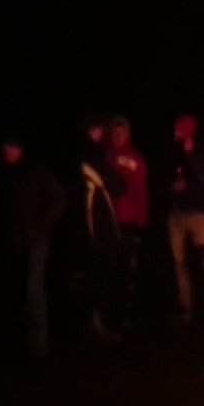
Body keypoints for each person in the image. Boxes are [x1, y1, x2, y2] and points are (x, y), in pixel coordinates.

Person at [0, 132, 66, 357]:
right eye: (5, 146)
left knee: (33, 291)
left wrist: (42, 225)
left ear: (20, 149)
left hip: (34, 242)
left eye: (12, 146)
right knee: (10, 292)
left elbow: (59, 198)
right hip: (8, 242)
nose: (7, 150)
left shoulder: (35, 171)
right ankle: (12, 343)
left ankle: (38, 346)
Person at [169, 114, 204, 324]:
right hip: (177, 215)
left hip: (198, 213)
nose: (176, 134)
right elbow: (165, 179)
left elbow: (203, 176)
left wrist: (189, 154)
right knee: (179, 263)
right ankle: (185, 308)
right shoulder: (173, 153)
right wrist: (171, 188)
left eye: (179, 130)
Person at [80, 116, 126, 340]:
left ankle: (94, 320)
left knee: (95, 269)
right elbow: (118, 185)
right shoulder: (94, 155)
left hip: (91, 220)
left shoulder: (93, 153)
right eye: (96, 130)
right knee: (104, 269)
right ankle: (101, 322)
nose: (100, 133)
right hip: (97, 221)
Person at [108, 116, 148, 330]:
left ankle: (125, 314)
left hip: (128, 220)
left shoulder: (136, 159)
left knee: (127, 268)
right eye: (114, 132)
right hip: (108, 220)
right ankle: (108, 313)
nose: (117, 136)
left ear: (127, 134)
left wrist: (142, 217)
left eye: (121, 132)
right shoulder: (105, 156)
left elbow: (141, 190)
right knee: (110, 267)